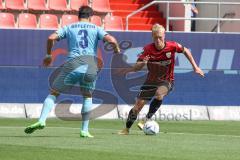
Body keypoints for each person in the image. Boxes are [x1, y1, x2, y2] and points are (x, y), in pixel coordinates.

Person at [24, 6, 120, 138]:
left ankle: (42, 120)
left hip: (73, 64)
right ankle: (84, 130)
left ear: (78, 16)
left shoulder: (69, 27)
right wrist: (116, 50)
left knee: (54, 92)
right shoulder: (96, 28)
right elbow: (112, 40)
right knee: (87, 96)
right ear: (90, 17)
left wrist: (48, 55)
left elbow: (51, 38)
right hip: (90, 65)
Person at [118, 24, 204, 135]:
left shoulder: (172, 46)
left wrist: (195, 67)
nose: (158, 40)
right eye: (155, 37)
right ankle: (126, 129)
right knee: (137, 106)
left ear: (164, 36)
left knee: (159, 94)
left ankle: (146, 119)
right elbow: (136, 67)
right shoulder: (147, 49)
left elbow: (185, 50)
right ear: (152, 37)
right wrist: (143, 63)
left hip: (167, 80)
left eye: (160, 37)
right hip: (150, 81)